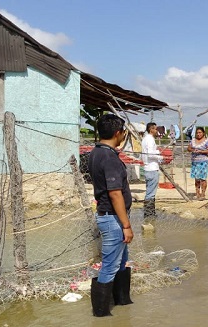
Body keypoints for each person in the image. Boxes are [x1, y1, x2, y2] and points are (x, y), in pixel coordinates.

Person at [88, 114, 134, 317]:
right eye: (123, 132)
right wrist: (126, 225)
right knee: (110, 265)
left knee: (121, 261)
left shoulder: (96, 152)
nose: (123, 135)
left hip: (111, 216)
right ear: (118, 133)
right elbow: (115, 193)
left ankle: (123, 301)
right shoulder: (109, 157)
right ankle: (101, 314)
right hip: (113, 218)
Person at [141, 122, 163, 222]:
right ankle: (149, 214)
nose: (157, 131)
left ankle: (150, 213)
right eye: (155, 129)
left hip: (148, 167)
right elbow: (150, 154)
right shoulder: (149, 139)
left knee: (149, 191)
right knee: (151, 193)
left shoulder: (145, 139)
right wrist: (160, 156)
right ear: (151, 129)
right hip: (152, 168)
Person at [187, 127, 208, 200]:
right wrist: (193, 150)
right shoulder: (193, 141)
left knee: (203, 178)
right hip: (195, 162)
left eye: (200, 132)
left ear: (203, 133)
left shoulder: (206, 141)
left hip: (203, 162)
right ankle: (197, 193)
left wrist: (201, 151)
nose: (198, 134)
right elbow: (188, 148)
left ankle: (203, 194)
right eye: (197, 133)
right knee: (196, 178)